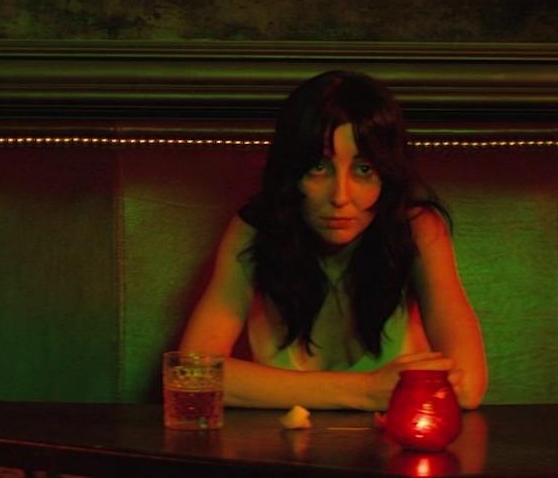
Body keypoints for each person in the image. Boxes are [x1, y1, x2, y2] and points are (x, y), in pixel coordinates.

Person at [178, 70, 488, 411]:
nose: (340, 196)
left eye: (364, 169)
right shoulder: (257, 229)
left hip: (392, 444)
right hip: (279, 444)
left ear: (387, 175)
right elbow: (192, 374)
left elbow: (469, 387)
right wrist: (366, 391)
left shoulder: (416, 229)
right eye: (319, 167)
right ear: (292, 172)